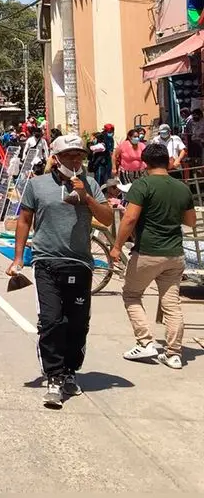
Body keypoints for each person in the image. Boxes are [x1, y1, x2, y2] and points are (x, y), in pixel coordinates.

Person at [7, 135, 114, 409]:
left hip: (79, 263)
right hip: (46, 261)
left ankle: (69, 372)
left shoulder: (89, 184)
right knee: (52, 320)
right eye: (69, 156)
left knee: (77, 324)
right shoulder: (37, 185)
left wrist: (87, 197)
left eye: (79, 156)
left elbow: (107, 218)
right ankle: (54, 376)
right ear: (56, 159)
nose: (75, 161)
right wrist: (19, 258)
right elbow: (24, 220)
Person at [111, 144, 195, 369]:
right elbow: (190, 221)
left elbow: (129, 219)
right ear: (168, 161)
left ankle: (145, 342)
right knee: (172, 304)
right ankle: (174, 353)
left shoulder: (142, 185)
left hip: (148, 252)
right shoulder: (182, 188)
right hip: (175, 254)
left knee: (131, 294)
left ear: (144, 163)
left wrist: (117, 246)